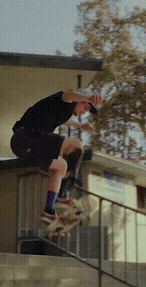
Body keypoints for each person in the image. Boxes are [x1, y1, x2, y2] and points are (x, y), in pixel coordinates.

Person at [10, 89, 105, 223]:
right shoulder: (63, 99)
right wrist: (89, 98)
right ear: (79, 100)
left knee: (61, 166)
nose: (84, 112)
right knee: (76, 145)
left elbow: (66, 121)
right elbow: (69, 94)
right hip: (25, 137)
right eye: (85, 107)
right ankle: (63, 194)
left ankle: (49, 211)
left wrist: (80, 126)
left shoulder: (63, 113)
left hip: (26, 148)